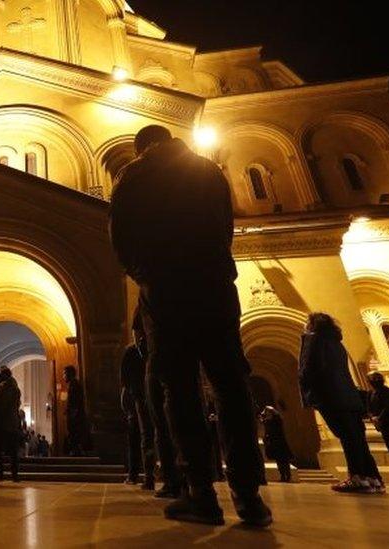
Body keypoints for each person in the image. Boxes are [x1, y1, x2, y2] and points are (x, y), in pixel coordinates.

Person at [109, 125, 270, 527]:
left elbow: (121, 237)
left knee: (178, 389)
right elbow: (224, 226)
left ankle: (201, 494)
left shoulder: (134, 175)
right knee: (231, 383)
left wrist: (145, 273)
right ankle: (249, 497)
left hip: (166, 290)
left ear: (141, 146)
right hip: (214, 284)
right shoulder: (207, 168)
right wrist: (213, 261)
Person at [299, 313, 384, 494]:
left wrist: (309, 391)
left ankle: (356, 478)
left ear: (312, 325)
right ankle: (372, 478)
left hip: (330, 396)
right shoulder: (338, 344)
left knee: (347, 437)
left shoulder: (313, 340)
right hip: (349, 397)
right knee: (357, 438)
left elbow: (309, 368)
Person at [121, 311, 182, 497]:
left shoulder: (134, 351)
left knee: (150, 434)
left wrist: (128, 403)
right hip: (151, 392)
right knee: (163, 431)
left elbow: (124, 381)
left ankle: (152, 478)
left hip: (144, 394)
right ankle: (176, 478)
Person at [0, 366, 23, 482]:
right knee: (13, 452)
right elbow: (17, 405)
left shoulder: (2, 388)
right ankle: (15, 475)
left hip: (3, 423)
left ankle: (0, 474)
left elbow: (0, 406)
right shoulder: (16, 389)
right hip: (13, 423)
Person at [259, 406, 293, 483]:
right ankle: (283, 476)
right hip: (274, 443)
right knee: (280, 461)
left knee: (284, 461)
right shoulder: (268, 421)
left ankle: (287, 476)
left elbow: (275, 416)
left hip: (280, 443)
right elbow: (263, 421)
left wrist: (269, 410)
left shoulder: (276, 420)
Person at [63, 366, 90, 457]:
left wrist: (72, 414)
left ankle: (76, 452)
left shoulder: (74, 385)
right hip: (75, 415)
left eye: (64, 373)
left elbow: (75, 402)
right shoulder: (73, 384)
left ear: (70, 374)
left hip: (75, 416)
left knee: (75, 434)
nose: (63, 376)